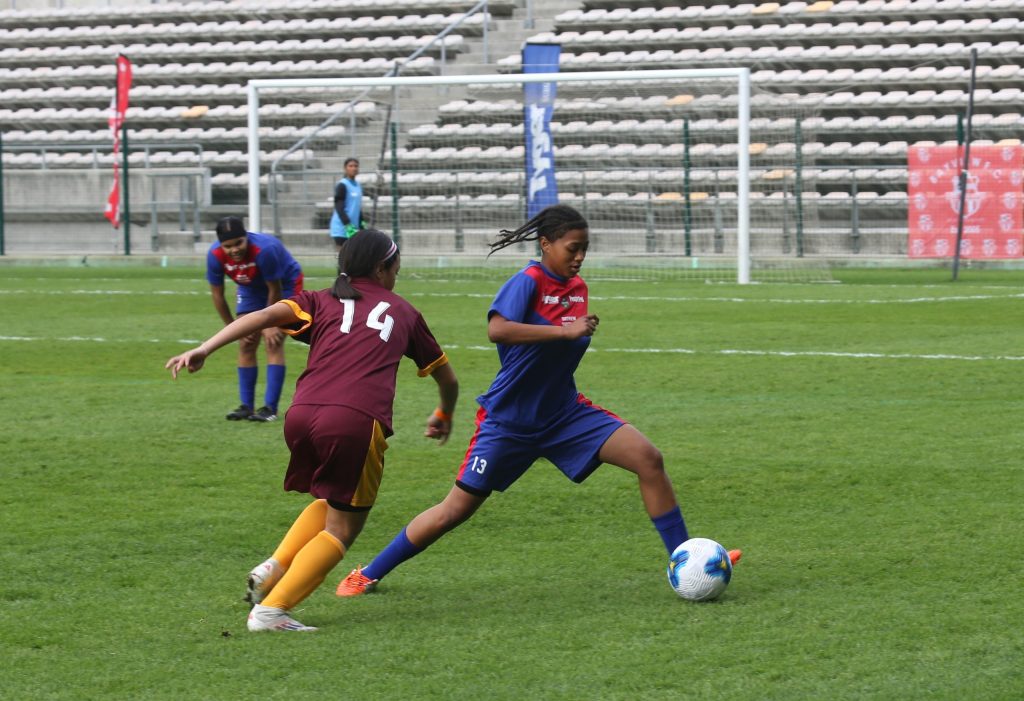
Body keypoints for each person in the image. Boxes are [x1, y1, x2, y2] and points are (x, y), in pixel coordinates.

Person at [335, 204, 740, 598]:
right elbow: (498, 329)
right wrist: (565, 334)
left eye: (584, 248)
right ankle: (367, 574)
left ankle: (687, 560)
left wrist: (572, 335)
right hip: (509, 422)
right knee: (454, 510)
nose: (579, 257)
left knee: (648, 458)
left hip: (565, 414)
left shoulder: (577, 289)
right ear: (546, 244)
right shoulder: (527, 281)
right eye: (572, 248)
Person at [167, 229, 459, 632]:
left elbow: (262, 316)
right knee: (345, 526)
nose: (397, 276)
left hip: (302, 413)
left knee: (332, 497)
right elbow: (448, 379)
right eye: (396, 268)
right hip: (355, 420)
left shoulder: (319, 300)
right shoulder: (403, 312)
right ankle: (272, 611)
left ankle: (274, 566)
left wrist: (204, 348)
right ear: (382, 269)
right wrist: (444, 412)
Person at [206, 216, 304, 422]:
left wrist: (271, 325)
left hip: (285, 285)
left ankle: (270, 409)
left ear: (246, 237)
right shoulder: (214, 256)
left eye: (239, 243)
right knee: (246, 343)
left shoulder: (264, 250)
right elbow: (217, 295)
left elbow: (274, 288)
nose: (234, 249)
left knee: (273, 342)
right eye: (228, 246)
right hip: (251, 288)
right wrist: (233, 328)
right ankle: (246, 407)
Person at [329, 157, 365, 250]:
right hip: (342, 227)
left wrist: (362, 222)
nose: (354, 168)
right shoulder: (342, 185)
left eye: (356, 166)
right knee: (343, 257)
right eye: (351, 166)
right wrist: (347, 224)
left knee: (354, 257)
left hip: (354, 227)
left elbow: (357, 206)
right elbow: (339, 206)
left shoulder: (358, 185)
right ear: (345, 168)